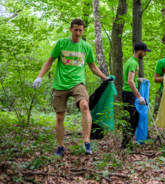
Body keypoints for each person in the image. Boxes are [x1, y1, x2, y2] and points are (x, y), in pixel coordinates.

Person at [33, 19, 111, 156]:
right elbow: (50, 60)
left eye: (81, 30)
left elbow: (92, 66)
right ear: (70, 29)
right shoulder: (61, 43)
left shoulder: (86, 47)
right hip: (60, 84)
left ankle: (87, 143)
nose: (78, 33)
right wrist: (39, 76)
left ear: (83, 30)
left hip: (78, 83)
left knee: (85, 106)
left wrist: (105, 77)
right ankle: (61, 146)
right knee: (59, 116)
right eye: (76, 30)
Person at [121, 42, 151, 149]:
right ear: (140, 51)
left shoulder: (133, 61)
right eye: (144, 52)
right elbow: (129, 81)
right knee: (131, 119)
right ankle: (125, 144)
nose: (145, 54)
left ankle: (127, 143)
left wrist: (140, 79)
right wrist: (139, 97)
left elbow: (132, 78)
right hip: (129, 94)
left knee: (135, 118)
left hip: (130, 93)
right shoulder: (133, 63)